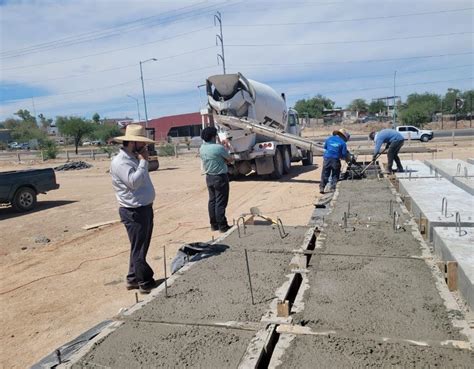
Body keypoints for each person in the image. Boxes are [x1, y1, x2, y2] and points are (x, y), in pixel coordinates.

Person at [110, 124, 157, 294]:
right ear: (132, 143)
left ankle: (132, 279)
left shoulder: (133, 158)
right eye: (141, 143)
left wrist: (142, 161)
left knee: (139, 247)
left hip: (143, 208)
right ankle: (145, 281)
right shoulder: (121, 162)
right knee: (139, 248)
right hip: (134, 211)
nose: (145, 146)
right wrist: (143, 161)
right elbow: (134, 182)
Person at [200, 126, 234, 232]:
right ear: (213, 136)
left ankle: (214, 225)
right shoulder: (218, 148)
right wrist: (226, 147)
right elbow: (230, 159)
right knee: (221, 202)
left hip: (209, 177)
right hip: (220, 177)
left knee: (212, 201)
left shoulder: (202, 148)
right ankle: (223, 226)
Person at [320, 128, 351, 194]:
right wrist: (346, 159)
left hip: (327, 159)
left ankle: (322, 187)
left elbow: (325, 147)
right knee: (335, 174)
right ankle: (332, 188)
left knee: (325, 173)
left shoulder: (329, 139)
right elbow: (344, 154)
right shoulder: (343, 143)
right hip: (335, 160)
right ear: (343, 136)